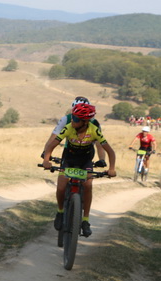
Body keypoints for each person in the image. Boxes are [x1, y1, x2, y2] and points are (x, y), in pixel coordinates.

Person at [42, 103, 116, 238]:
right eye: (73, 117)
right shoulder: (68, 128)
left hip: (85, 159)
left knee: (88, 185)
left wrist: (111, 168)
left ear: (85, 122)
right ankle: (60, 212)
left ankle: (85, 220)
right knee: (61, 186)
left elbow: (110, 152)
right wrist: (46, 160)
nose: (72, 120)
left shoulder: (94, 130)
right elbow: (51, 146)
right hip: (69, 158)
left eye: (76, 119)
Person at [42, 96, 106, 166]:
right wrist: (46, 153)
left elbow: (99, 144)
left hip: (87, 154)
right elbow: (53, 138)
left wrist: (101, 160)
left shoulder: (94, 123)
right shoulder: (66, 119)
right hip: (69, 152)